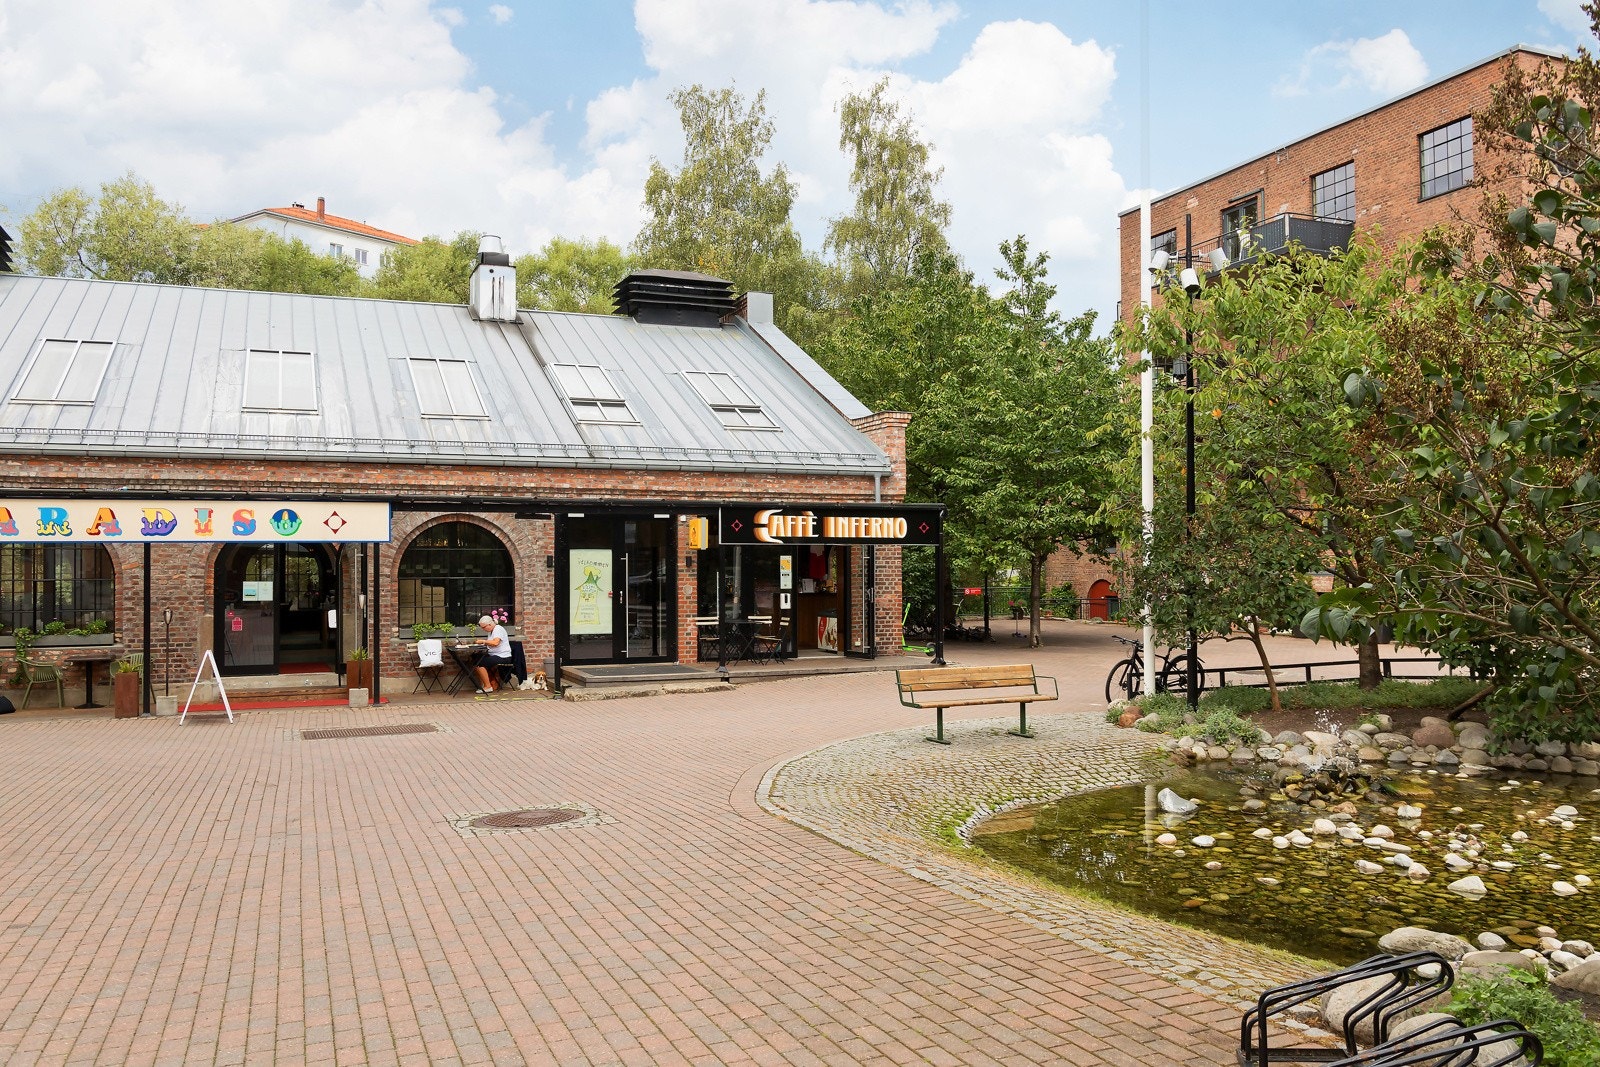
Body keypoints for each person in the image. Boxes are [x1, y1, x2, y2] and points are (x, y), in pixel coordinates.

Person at [470, 614, 513, 693]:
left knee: (479, 663)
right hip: (495, 655)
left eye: (484, 627)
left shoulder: (498, 629)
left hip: (503, 656)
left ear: (489, 624)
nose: (483, 629)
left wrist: (483, 641)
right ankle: (483, 684)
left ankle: (488, 686)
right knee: (476, 657)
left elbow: (496, 642)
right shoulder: (491, 631)